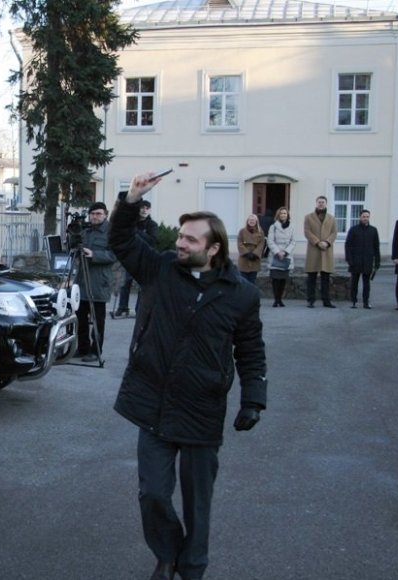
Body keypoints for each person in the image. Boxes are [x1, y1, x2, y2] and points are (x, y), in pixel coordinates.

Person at [109, 172, 267, 580]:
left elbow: (250, 351)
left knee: (199, 501)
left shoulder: (241, 295)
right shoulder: (160, 270)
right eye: (180, 236)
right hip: (154, 403)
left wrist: (253, 399)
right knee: (153, 495)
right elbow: (121, 242)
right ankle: (167, 552)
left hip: (201, 409)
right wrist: (130, 200)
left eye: (190, 239)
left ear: (213, 249)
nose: (179, 243)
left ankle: (192, 567)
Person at [75, 201, 116, 362]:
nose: (95, 216)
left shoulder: (111, 233)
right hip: (82, 280)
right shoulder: (86, 231)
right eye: (92, 214)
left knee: (98, 320)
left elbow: (113, 255)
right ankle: (82, 348)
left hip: (99, 282)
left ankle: (95, 350)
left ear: (105, 214)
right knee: (80, 318)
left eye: (98, 214)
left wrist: (94, 254)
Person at [114, 199, 159, 317]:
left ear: (149, 210)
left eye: (147, 208)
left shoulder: (152, 225)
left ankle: (139, 309)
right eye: (142, 208)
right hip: (129, 257)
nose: (144, 210)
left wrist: (137, 232)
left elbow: (152, 240)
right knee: (125, 283)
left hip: (145, 258)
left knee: (141, 285)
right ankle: (122, 307)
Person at [303, 195, 337, 307]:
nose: (321, 204)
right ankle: (311, 300)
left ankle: (326, 300)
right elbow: (307, 232)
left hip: (326, 250)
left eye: (323, 202)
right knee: (311, 277)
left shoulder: (332, 218)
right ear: (316, 203)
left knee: (325, 278)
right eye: (319, 202)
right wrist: (317, 242)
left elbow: (334, 233)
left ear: (326, 204)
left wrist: (327, 242)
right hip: (314, 249)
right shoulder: (308, 217)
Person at [344, 209, 381, 309]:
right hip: (355, 261)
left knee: (366, 283)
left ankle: (366, 302)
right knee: (354, 282)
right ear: (360, 217)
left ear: (369, 218)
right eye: (364, 216)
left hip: (367, 261)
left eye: (367, 217)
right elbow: (348, 245)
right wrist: (349, 259)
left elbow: (376, 246)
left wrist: (377, 261)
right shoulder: (354, 229)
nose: (365, 218)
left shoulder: (373, 230)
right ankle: (354, 301)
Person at [266, 206, 295, 307]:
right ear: (278, 215)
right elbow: (270, 241)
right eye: (281, 213)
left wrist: (285, 252)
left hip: (286, 256)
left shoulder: (292, 227)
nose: (283, 215)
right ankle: (276, 299)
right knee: (275, 279)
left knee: (283, 279)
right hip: (276, 255)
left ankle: (280, 299)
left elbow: (293, 241)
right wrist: (278, 252)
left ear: (287, 215)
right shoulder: (273, 227)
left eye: (285, 213)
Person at [237, 214, 265, 284]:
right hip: (244, 258)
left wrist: (255, 254)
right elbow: (239, 243)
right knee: (243, 281)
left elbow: (261, 244)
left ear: (256, 221)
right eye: (250, 220)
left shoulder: (260, 232)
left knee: (252, 281)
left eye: (253, 220)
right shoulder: (242, 231)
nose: (251, 221)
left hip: (255, 259)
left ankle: (251, 294)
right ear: (247, 221)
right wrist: (247, 253)